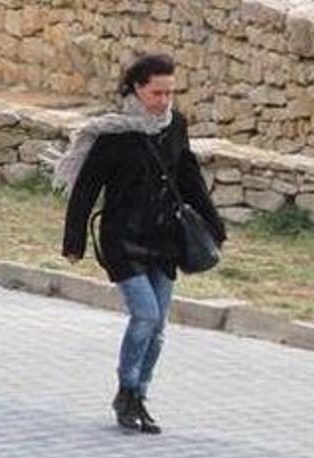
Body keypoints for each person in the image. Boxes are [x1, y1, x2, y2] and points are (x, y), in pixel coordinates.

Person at [54, 54, 226, 434]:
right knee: (145, 315)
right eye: (156, 92)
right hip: (122, 239)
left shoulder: (174, 126)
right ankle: (126, 389)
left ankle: (139, 396)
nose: (164, 100)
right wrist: (74, 241)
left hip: (163, 240)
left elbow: (189, 177)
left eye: (169, 92)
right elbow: (85, 190)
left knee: (159, 326)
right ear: (136, 89)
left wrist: (214, 224)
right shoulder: (113, 135)